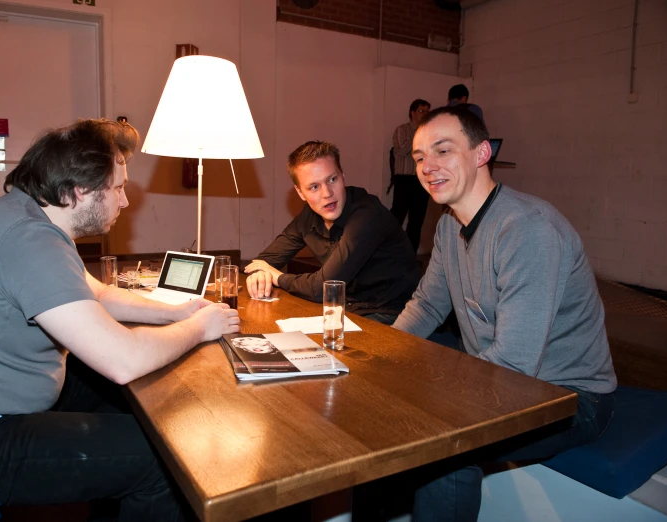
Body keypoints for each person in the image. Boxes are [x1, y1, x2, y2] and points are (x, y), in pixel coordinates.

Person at [0, 118, 240, 521]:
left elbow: (99, 293)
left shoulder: (26, 215)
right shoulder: (29, 240)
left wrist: (176, 313)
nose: (125, 202)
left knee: (139, 407)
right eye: (118, 188)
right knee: (166, 459)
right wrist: (199, 328)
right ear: (81, 190)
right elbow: (122, 361)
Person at [391, 106, 616, 521]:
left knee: (443, 447)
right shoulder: (447, 225)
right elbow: (427, 305)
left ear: (481, 155)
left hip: (570, 398)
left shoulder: (526, 229)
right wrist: (383, 355)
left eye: (443, 151)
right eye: (421, 156)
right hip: (508, 381)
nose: (428, 167)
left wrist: (430, 392)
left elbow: (514, 363)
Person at [244, 140, 421, 325]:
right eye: (314, 187)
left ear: (343, 176)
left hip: (392, 315)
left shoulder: (367, 215)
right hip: (347, 310)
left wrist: (277, 277)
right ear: (300, 193)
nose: (327, 193)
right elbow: (263, 262)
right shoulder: (309, 216)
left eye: (332, 179)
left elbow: (322, 288)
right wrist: (259, 274)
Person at [390, 98, 431, 252]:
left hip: (422, 180)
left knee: (417, 220)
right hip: (404, 179)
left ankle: (409, 255)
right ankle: (389, 252)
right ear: (412, 113)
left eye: (427, 112)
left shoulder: (429, 132)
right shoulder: (402, 130)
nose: (425, 114)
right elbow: (400, 151)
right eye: (422, 111)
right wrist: (418, 135)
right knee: (397, 217)